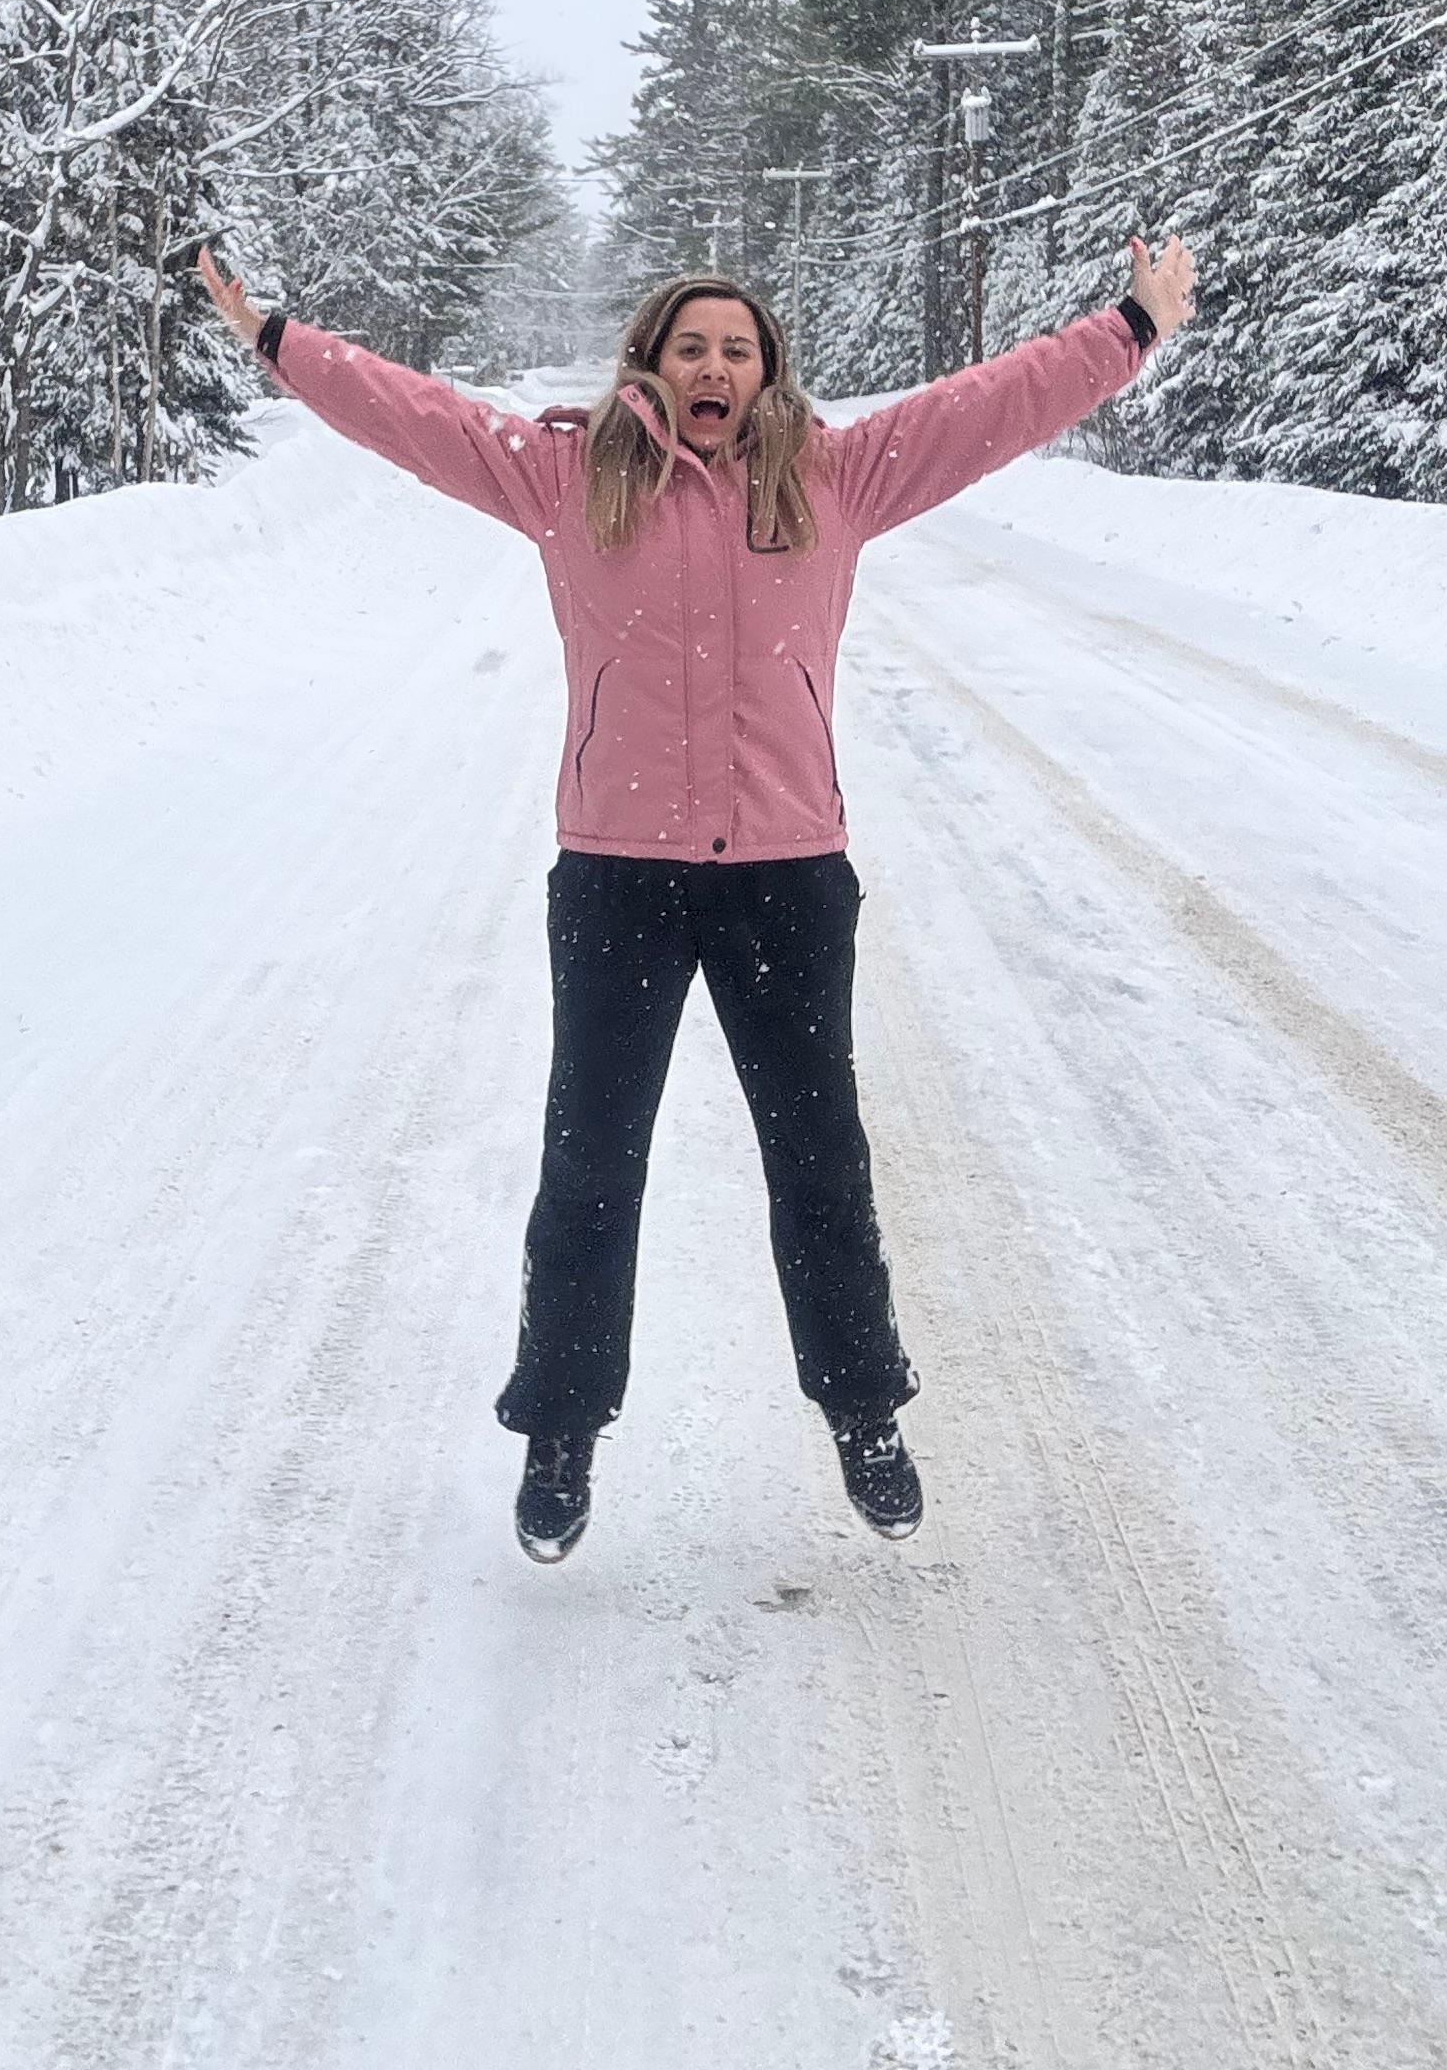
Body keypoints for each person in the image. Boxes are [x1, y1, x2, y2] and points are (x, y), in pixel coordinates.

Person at [195, 238, 1196, 1561]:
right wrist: (278, 339)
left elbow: (990, 403)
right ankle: (562, 1435)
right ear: (651, 365)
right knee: (591, 1166)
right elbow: (419, 417)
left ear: (765, 370)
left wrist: (1130, 325)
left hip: (788, 875)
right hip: (618, 874)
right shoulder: (570, 477)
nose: (713, 366)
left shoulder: (836, 477)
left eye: (736, 347)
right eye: (691, 346)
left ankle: (863, 1414)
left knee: (820, 1164)